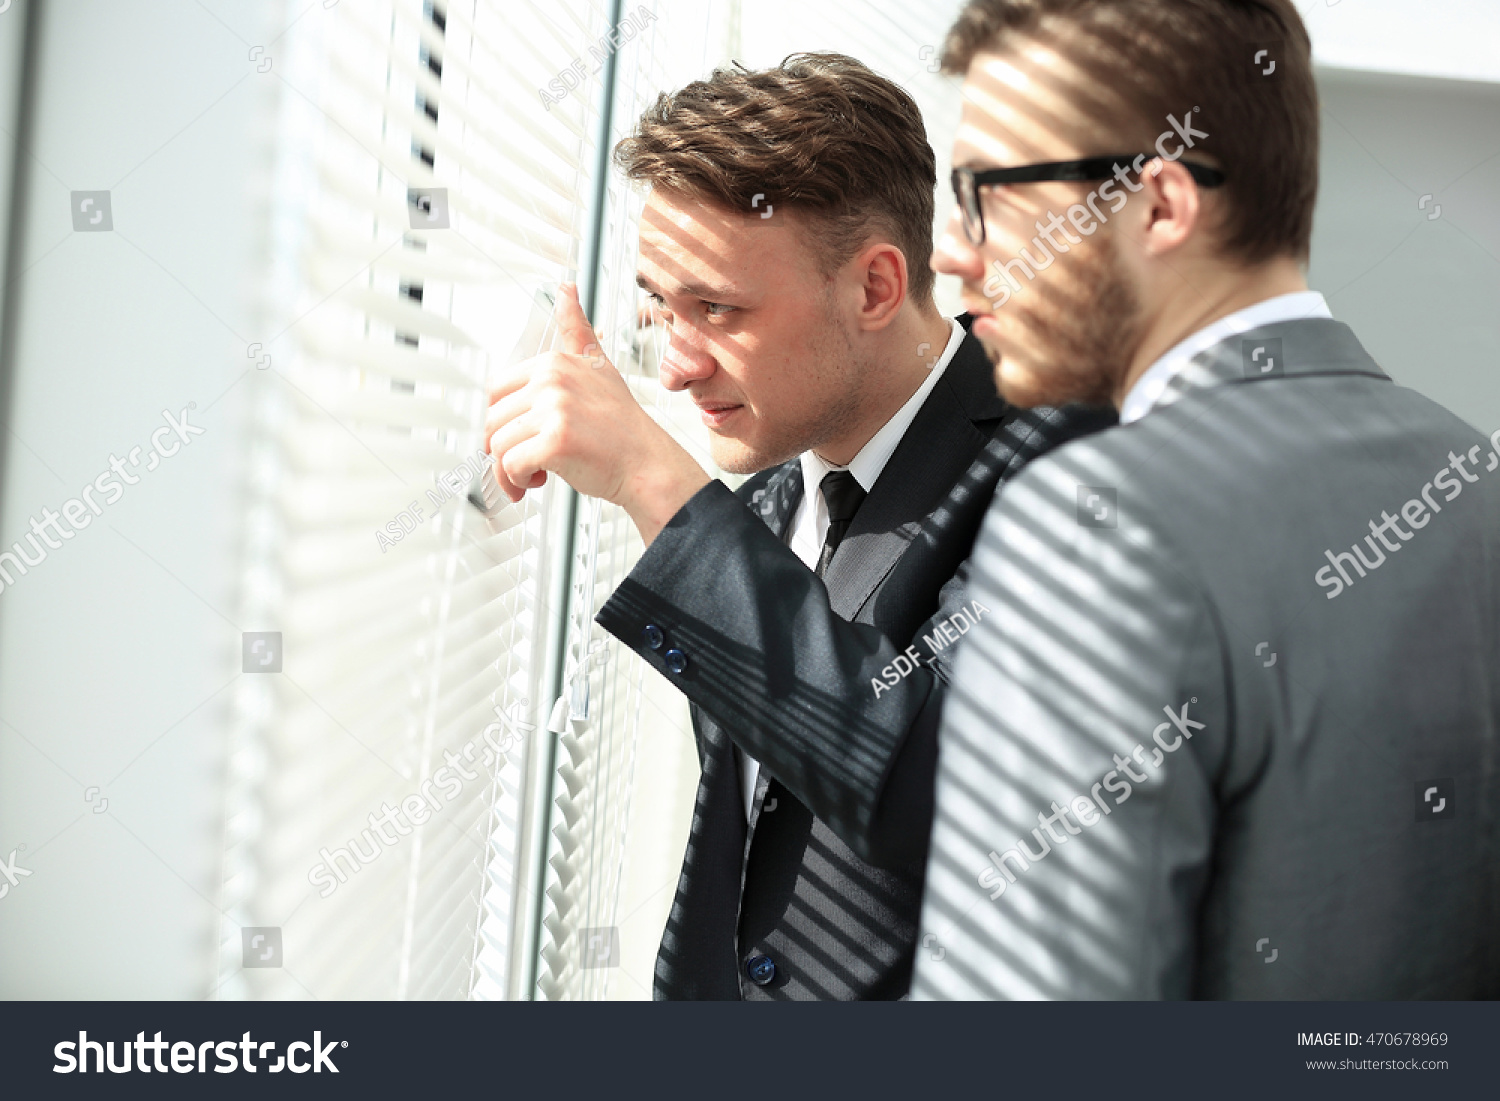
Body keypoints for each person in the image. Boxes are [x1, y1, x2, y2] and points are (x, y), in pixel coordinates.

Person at [484, 53, 1112, 998]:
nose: (676, 366)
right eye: (663, 306)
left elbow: (934, 788)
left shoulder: (1070, 461)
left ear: (873, 289)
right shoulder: (774, 499)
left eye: (719, 310)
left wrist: (654, 481)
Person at [913, 0, 1500, 999]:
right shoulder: (1471, 476)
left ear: (1159, 206)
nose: (951, 252)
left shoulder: (1096, 525)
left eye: (986, 194)